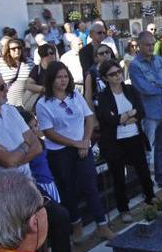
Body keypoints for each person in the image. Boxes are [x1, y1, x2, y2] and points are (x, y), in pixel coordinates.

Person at [0, 68, 88, 252]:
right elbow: (5, 160)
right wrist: (23, 148)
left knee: (58, 217)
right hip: (3, 192)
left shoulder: (10, 111)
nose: (7, 90)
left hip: (27, 182)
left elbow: (37, 146)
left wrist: (17, 153)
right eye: (2, 86)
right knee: (24, 236)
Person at [35, 62, 115, 242]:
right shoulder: (43, 104)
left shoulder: (75, 96)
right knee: (68, 189)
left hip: (82, 147)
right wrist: (76, 144)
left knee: (90, 186)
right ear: (51, 79)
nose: (63, 81)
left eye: (65, 76)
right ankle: (76, 226)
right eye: (59, 77)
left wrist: (85, 141)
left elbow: (88, 118)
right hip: (61, 152)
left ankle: (102, 225)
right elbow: (49, 133)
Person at [95, 60, 157, 222]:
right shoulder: (103, 96)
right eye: (112, 74)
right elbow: (108, 119)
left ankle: (151, 198)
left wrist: (123, 118)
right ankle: (124, 209)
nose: (117, 76)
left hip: (134, 137)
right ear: (105, 78)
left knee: (143, 170)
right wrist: (128, 115)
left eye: (119, 72)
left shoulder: (130, 89)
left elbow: (141, 112)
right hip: (115, 142)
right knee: (118, 177)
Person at [129, 31, 162, 188]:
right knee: (147, 150)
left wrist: (157, 84)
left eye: (152, 44)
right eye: (147, 45)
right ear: (139, 45)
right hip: (149, 114)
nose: (151, 47)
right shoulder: (135, 66)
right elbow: (145, 89)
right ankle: (145, 185)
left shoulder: (159, 60)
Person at [0, 36, 32, 108]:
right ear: (8, 51)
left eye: (19, 48)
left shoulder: (29, 62)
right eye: (13, 49)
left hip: (26, 104)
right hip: (7, 104)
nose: (17, 50)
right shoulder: (0, 62)